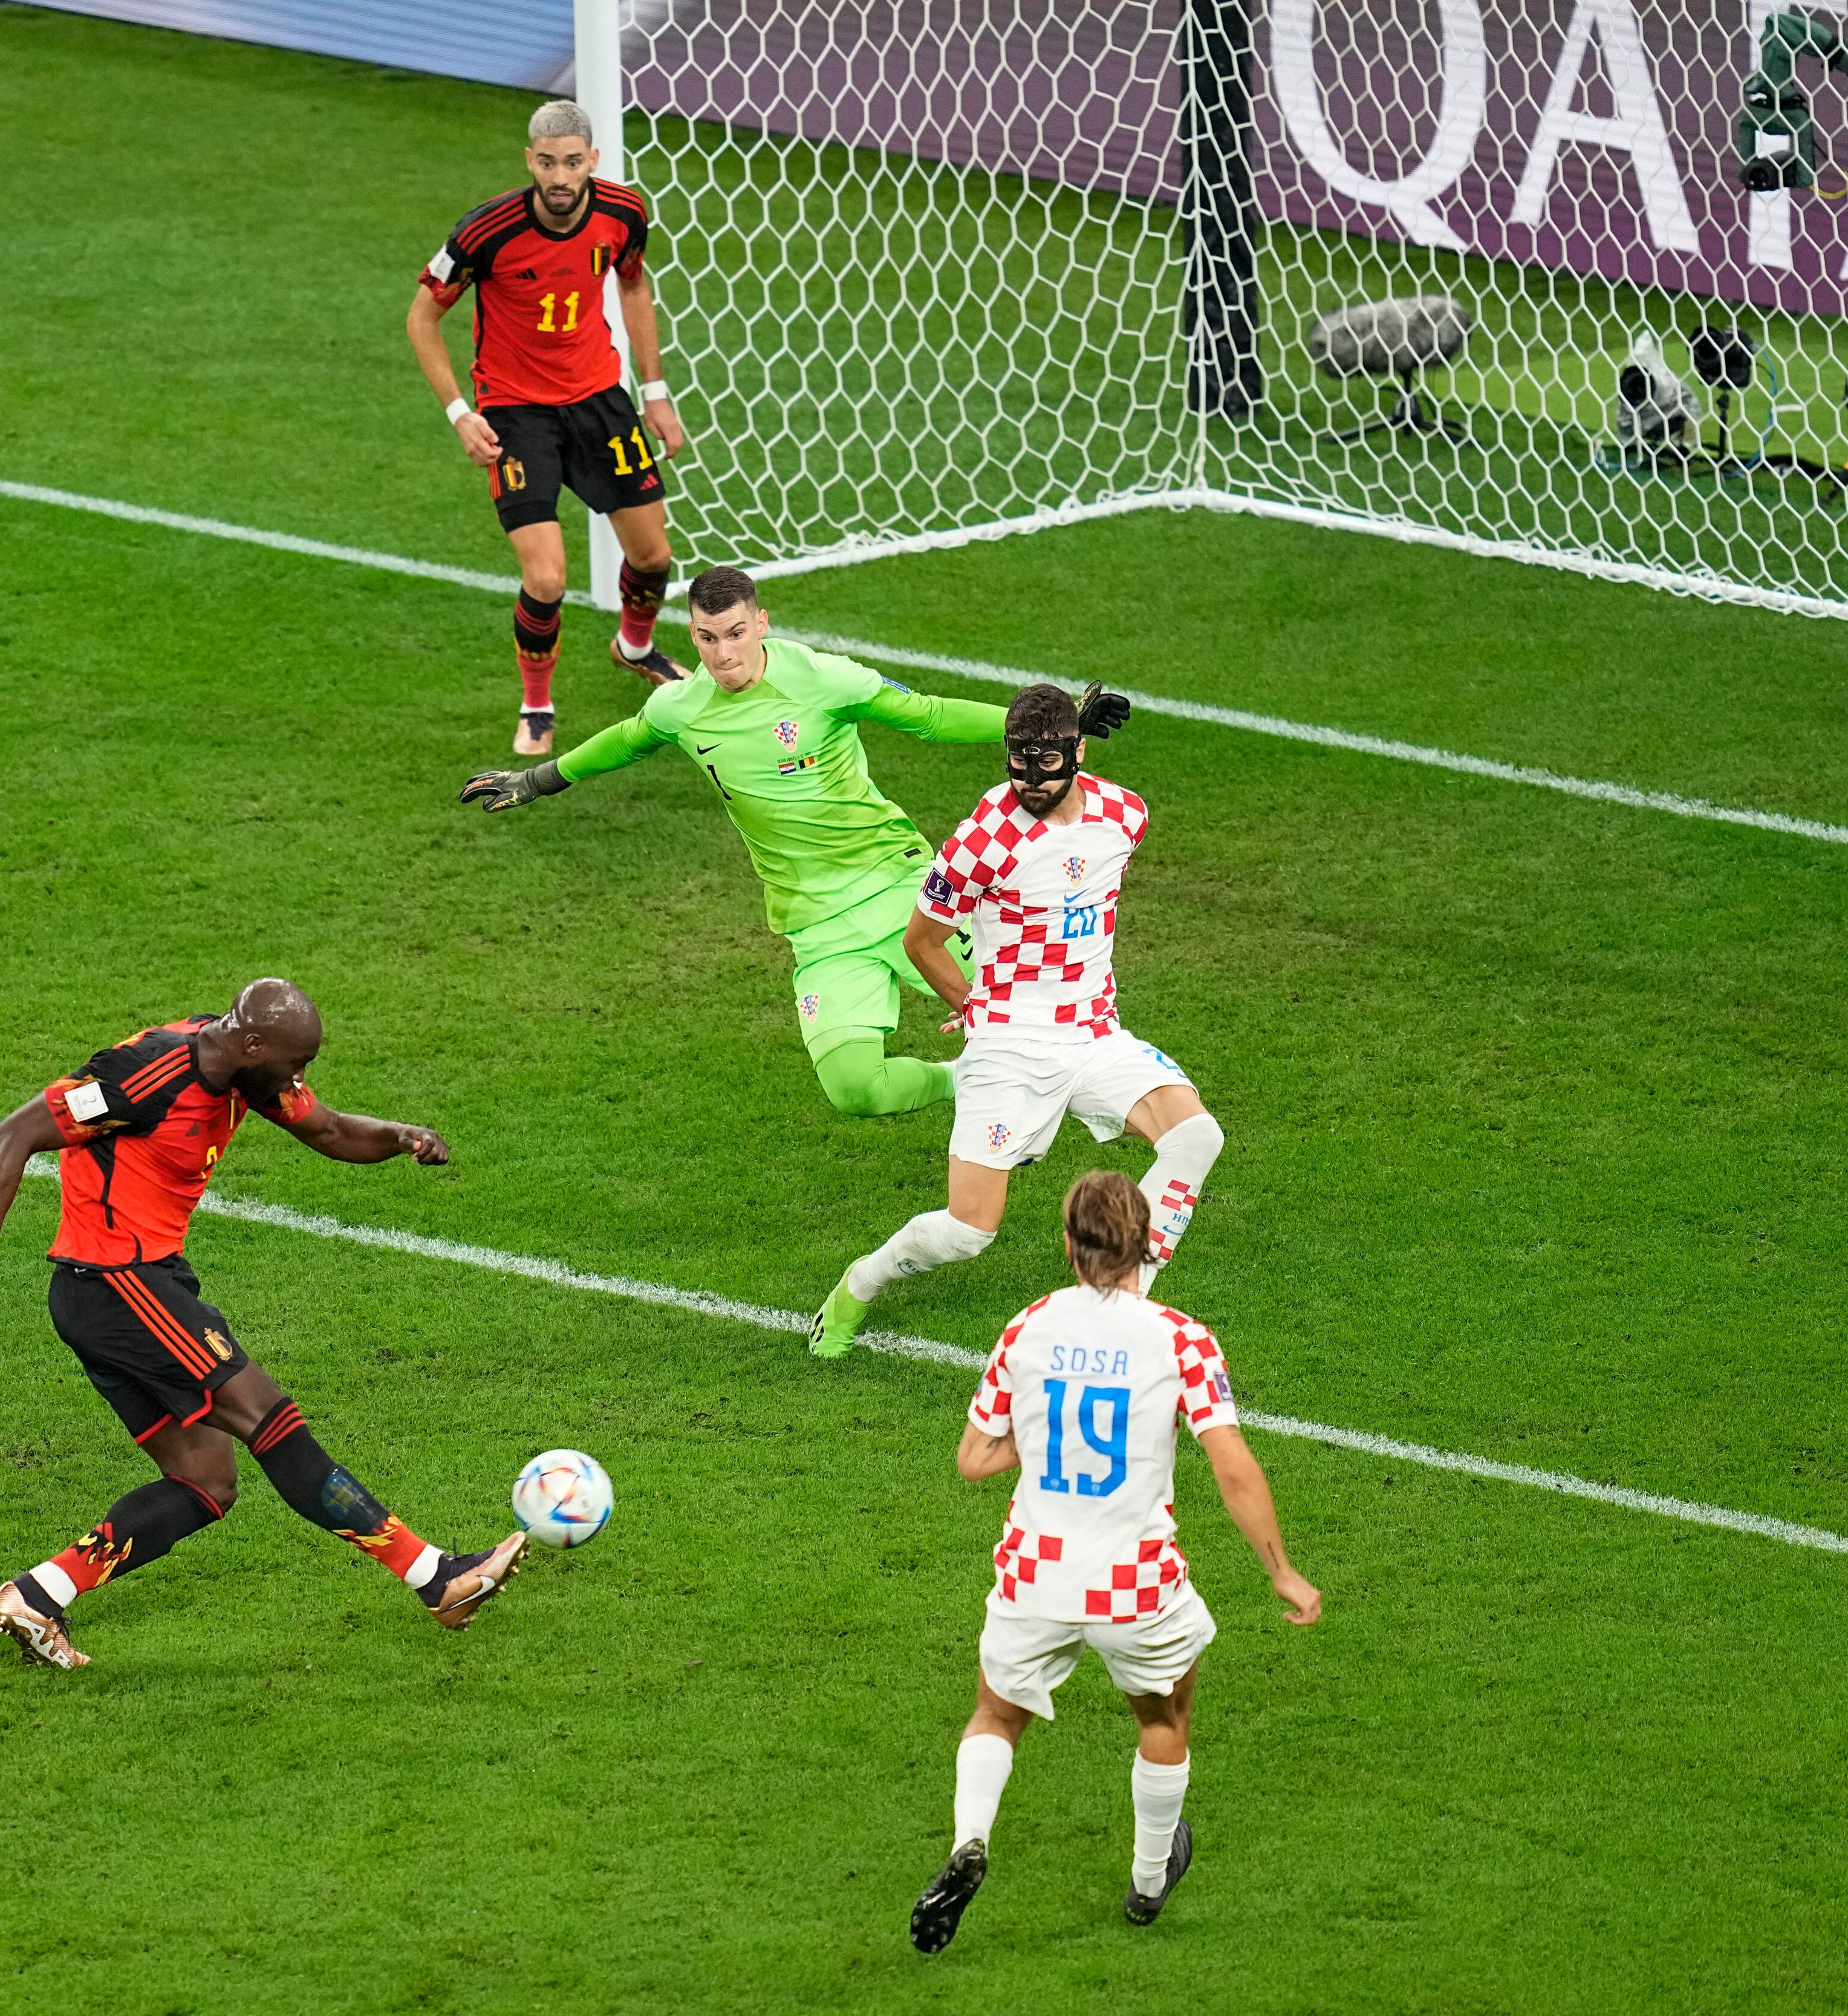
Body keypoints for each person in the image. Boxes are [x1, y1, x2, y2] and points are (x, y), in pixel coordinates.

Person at [0, 979, 527, 1669]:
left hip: (119, 1291)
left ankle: (37, 1596)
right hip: (119, 1286)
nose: (299, 1079)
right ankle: (434, 1577)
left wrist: (401, 1136)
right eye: (294, 1064)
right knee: (269, 1418)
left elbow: (331, 1129)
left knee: (205, 1482)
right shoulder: (142, 1078)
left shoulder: (247, 1071)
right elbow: (11, 1136)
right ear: (252, 1045)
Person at [463, 566, 1125, 1120]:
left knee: (1042, 1014)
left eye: (735, 634)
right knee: (855, 1090)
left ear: (762, 624)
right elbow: (625, 740)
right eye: (705, 638)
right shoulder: (681, 709)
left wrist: (1056, 717)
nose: (722, 654)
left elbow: (926, 714)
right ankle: (970, 1080)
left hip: (898, 889)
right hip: (815, 925)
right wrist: (537, 780)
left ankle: (1141, 1111)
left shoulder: (821, 680)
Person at [909, 1170, 1319, 1952]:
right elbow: (1231, 1465)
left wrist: (1044, 1431)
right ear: (1145, 1244)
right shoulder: (1180, 1338)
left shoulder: (1026, 1326)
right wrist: (1281, 1571)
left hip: (1035, 1573)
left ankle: (970, 1840)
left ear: (1068, 1245)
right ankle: (1148, 1880)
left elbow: (973, 1458)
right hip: (1136, 1584)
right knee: (1165, 1717)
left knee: (997, 1713)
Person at [809, 682, 1218, 1355]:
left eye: (1047, 764)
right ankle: (861, 1281)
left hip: (1093, 1033)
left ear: (1078, 752)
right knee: (969, 1231)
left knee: (1196, 1138)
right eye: (1016, 763)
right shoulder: (978, 841)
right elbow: (922, 942)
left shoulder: (1124, 816)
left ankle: (1122, 1298)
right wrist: (975, 1009)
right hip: (1008, 1046)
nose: (1029, 781)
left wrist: (1076, 709)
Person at [409, 98, 689, 757]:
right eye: (546, 162)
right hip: (515, 413)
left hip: (598, 401)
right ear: (528, 161)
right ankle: (536, 706)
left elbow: (632, 287)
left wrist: (654, 394)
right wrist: (459, 413)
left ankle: (635, 646)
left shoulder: (624, 212)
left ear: (591, 161)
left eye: (571, 162)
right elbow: (421, 317)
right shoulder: (486, 233)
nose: (559, 177)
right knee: (546, 578)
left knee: (652, 557)